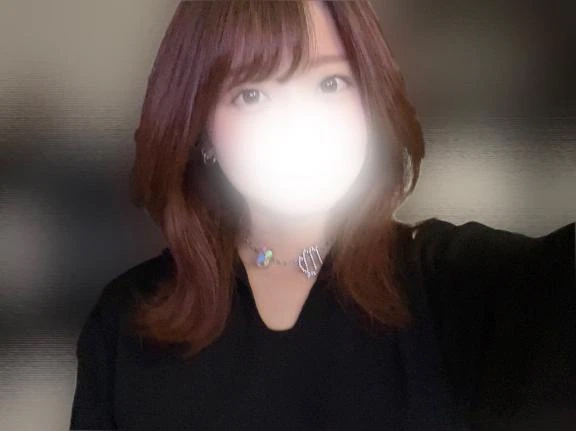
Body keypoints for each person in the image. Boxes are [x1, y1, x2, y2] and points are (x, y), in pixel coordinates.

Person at [69, 1, 575, 430]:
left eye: (331, 83)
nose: (296, 123)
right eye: (251, 94)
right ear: (202, 133)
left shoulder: (454, 285)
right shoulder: (126, 325)